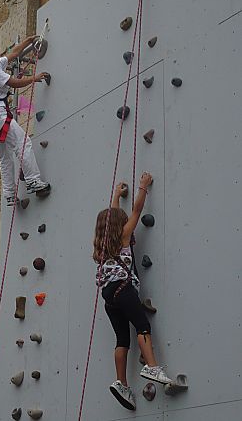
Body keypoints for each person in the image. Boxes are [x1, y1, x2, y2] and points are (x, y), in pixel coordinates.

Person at [93, 172, 172, 411]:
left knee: (121, 339)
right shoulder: (125, 236)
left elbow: (114, 218)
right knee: (142, 325)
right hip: (124, 289)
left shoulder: (103, 245)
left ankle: (122, 383)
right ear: (120, 225)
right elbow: (137, 211)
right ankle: (151, 366)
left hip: (108, 297)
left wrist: (117, 195)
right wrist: (143, 187)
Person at [0, 35, 51, 206]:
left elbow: (13, 54)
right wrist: (34, 78)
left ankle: (9, 194)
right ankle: (33, 180)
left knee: (5, 156)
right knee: (23, 142)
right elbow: (13, 83)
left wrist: (29, 41)